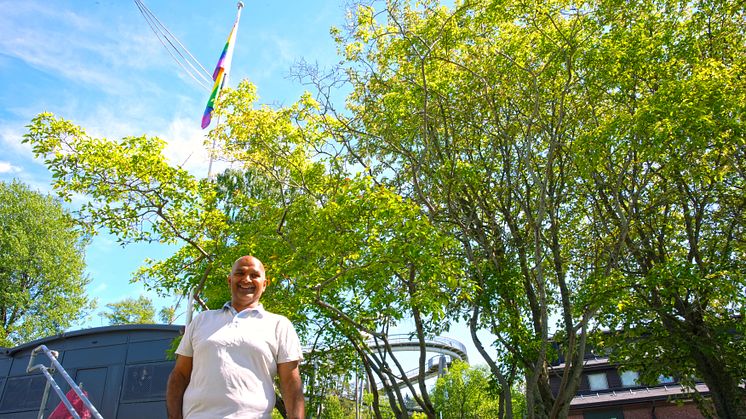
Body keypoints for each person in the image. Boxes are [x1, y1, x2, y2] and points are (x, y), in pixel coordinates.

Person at [166, 255, 305, 419]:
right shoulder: (202, 320)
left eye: (254, 275)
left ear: (265, 284)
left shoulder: (279, 325)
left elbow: (290, 382)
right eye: (240, 273)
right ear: (229, 280)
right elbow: (179, 375)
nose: (246, 280)